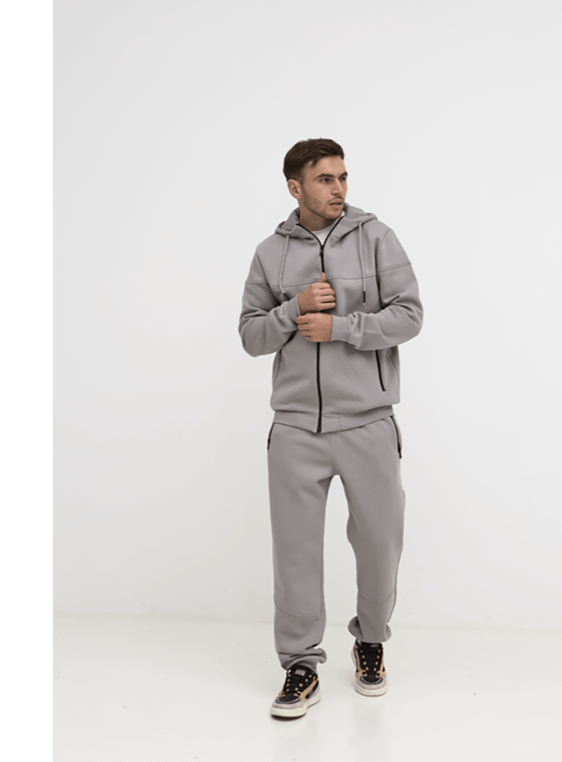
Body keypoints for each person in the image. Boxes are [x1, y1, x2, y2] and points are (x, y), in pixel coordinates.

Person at [238, 138, 424, 719]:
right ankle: (300, 665)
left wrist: (341, 327)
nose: (338, 188)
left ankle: (370, 640)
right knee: (295, 554)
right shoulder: (270, 252)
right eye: (324, 179)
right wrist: (293, 309)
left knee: (381, 542)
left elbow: (410, 315)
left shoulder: (377, 238)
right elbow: (250, 336)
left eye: (342, 176)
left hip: (369, 422)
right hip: (295, 428)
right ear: (295, 187)